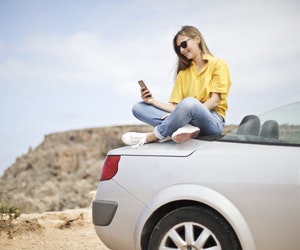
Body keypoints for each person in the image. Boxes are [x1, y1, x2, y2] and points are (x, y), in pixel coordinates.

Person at [122, 25, 231, 147]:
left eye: (183, 44)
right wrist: (151, 101)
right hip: (186, 119)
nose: (182, 50)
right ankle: (184, 127)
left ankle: (154, 136)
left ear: (197, 39)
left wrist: (184, 114)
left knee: (189, 103)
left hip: (212, 120)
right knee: (138, 107)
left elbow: (215, 101)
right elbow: (176, 107)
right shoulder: (183, 74)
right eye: (179, 48)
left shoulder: (218, 64)